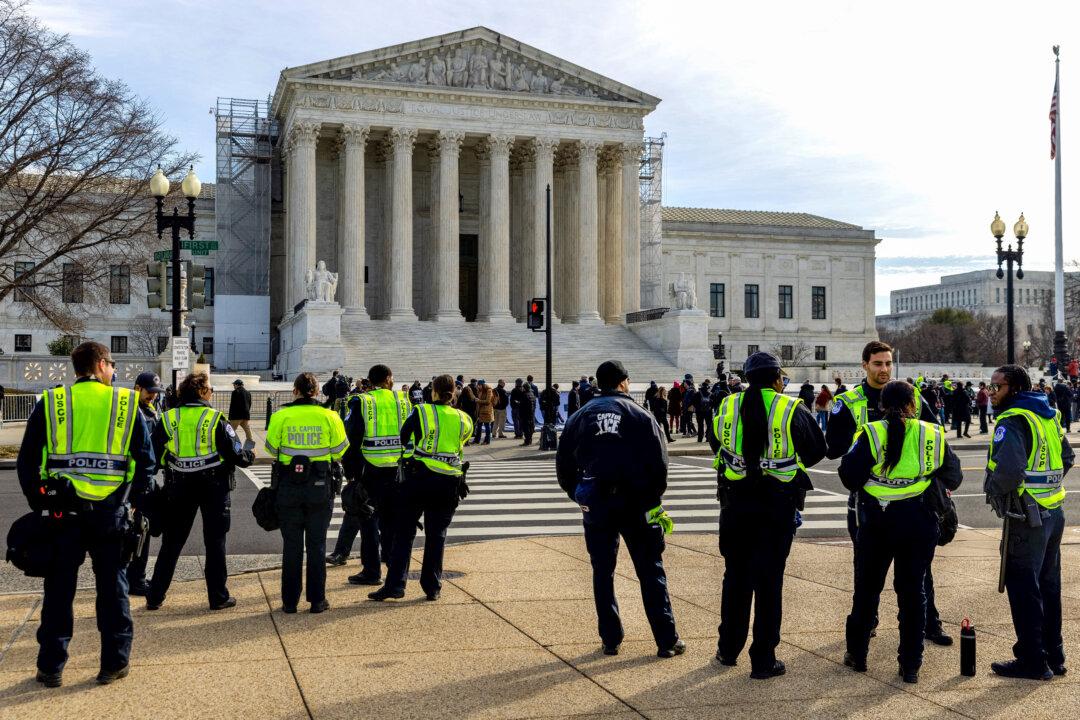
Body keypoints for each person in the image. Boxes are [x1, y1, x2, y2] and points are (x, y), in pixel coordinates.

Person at [16, 341, 156, 687]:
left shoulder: (51, 402)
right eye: (111, 366)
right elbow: (146, 461)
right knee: (113, 590)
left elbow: (27, 461)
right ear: (100, 365)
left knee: (59, 591)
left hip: (63, 514)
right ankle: (114, 663)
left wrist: (41, 501)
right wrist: (133, 500)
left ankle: (51, 667)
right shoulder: (124, 403)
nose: (114, 372)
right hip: (111, 513)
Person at [826, 340, 952, 646]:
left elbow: (934, 436)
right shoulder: (851, 400)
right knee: (867, 570)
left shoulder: (912, 396)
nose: (884, 369)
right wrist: (867, 448)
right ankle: (867, 622)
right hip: (868, 498)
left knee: (921, 571)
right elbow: (833, 447)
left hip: (913, 498)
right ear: (864, 365)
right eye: (878, 364)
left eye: (888, 363)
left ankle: (929, 623)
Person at [556, 360, 685, 658]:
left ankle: (610, 639)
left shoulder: (579, 416)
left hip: (596, 501)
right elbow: (659, 465)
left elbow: (564, 465)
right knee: (650, 571)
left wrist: (579, 494)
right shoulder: (640, 414)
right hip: (636, 501)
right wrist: (652, 499)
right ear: (624, 382)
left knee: (603, 571)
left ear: (599, 384)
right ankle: (666, 640)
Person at [709, 352, 826, 678]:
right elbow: (817, 449)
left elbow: (715, 441)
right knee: (769, 582)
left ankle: (728, 649)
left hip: (735, 504)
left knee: (735, 579)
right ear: (777, 379)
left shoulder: (729, 405)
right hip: (776, 505)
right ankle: (763, 659)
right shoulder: (790, 408)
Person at [839, 381, 962, 684]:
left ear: (881, 405)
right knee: (913, 592)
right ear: (912, 404)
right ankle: (910, 664)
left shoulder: (871, 432)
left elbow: (848, 476)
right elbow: (954, 476)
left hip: (877, 520)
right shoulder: (930, 432)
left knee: (867, 590)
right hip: (919, 519)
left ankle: (858, 654)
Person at [984, 364, 1072, 679]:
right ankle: (1053, 654)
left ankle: (1033, 660)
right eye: (990, 386)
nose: (991, 393)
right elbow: (1067, 458)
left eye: (997, 387)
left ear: (1015, 389)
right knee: (1048, 586)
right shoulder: (1046, 415)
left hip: (1026, 516)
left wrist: (994, 491)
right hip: (1053, 511)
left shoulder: (1013, 420)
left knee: (1023, 588)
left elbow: (1008, 470)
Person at [146, 373, 255, 611]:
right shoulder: (215, 418)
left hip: (178, 485)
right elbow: (236, 454)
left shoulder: (168, 418)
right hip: (213, 487)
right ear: (202, 392)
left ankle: (155, 595)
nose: (212, 392)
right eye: (210, 389)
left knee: (171, 543)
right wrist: (249, 455)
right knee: (215, 542)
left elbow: (152, 455)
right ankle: (218, 597)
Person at [369, 375, 473, 601]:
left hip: (419, 479)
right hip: (449, 482)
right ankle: (432, 587)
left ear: (433, 392)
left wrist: (410, 459)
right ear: (453, 393)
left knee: (404, 533)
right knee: (437, 536)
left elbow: (404, 437)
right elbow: (462, 442)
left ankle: (396, 585)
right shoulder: (464, 418)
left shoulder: (422, 411)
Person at [265, 372, 349, 613]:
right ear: (317, 391)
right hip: (319, 488)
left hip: (288, 487)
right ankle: (317, 600)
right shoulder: (329, 416)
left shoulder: (282, 415)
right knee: (317, 545)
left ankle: (289, 602)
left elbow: (272, 448)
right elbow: (339, 450)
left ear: (295, 391)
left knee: (291, 546)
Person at [342, 364, 412, 586]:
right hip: (398, 469)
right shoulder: (403, 400)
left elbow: (352, 438)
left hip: (370, 468)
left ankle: (372, 571)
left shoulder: (361, 401)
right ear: (389, 378)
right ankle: (393, 569)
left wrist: (350, 471)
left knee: (368, 520)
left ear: (370, 381)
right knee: (392, 520)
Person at [126, 371, 164, 597]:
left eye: (155, 392)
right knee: (139, 531)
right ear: (138, 387)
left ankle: (136, 576)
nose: (153, 395)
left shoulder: (150, 410)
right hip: (136, 481)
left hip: (147, 479)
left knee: (145, 529)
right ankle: (136, 579)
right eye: (150, 391)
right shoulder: (133, 411)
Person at [228, 378, 253, 444]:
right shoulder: (248, 393)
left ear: (237, 385)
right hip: (245, 415)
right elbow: (249, 404)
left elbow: (232, 405)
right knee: (247, 431)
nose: (233, 386)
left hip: (236, 416)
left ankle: (229, 444)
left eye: (234, 385)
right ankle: (250, 445)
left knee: (230, 431)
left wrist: (230, 417)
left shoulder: (235, 392)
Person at [475, 380, 494, 444]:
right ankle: (477, 440)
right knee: (479, 426)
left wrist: (478, 400)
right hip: (480, 412)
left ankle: (487, 440)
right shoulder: (480, 391)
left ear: (482, 385)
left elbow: (488, 401)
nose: (478, 386)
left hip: (486, 411)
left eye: (479, 385)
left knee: (487, 426)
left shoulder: (489, 390)